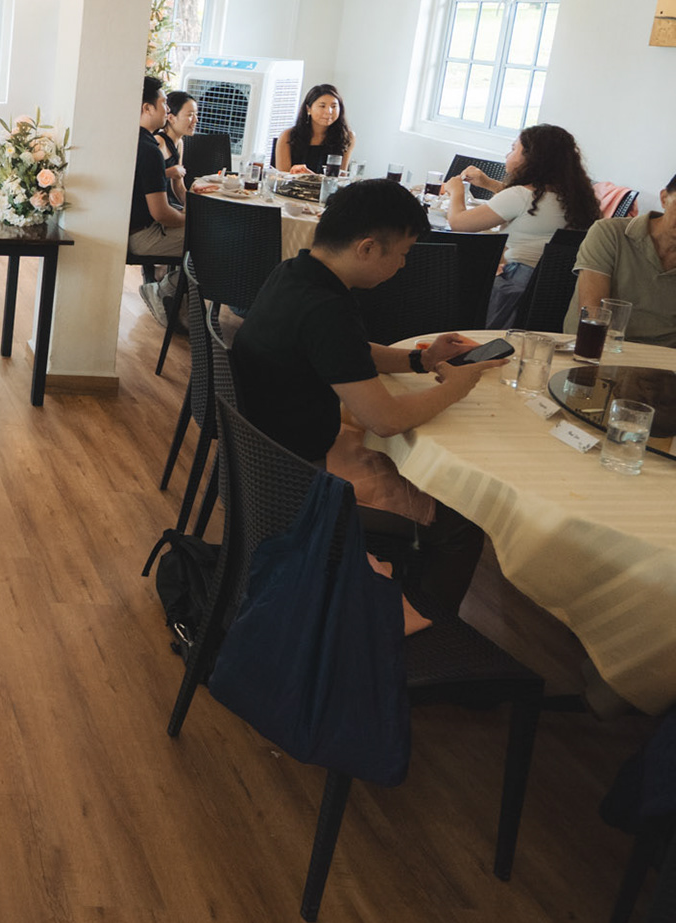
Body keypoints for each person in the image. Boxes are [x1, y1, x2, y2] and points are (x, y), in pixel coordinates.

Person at [232, 178, 499, 619]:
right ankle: (417, 631)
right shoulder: (327, 309)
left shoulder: (295, 273)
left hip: (266, 460)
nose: (404, 265)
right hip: (300, 484)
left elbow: (347, 352)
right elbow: (386, 420)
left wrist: (421, 359)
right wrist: (456, 387)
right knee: (461, 522)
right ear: (368, 248)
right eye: (403, 253)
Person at [441, 123, 602, 327]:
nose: (507, 155)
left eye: (513, 149)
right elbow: (526, 206)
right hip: (553, 293)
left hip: (513, 288)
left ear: (530, 158)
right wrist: (489, 184)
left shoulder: (520, 196)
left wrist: (456, 191)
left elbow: (458, 224)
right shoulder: (578, 200)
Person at [565, 172, 676, 346]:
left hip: (666, 357)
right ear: (664, 199)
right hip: (599, 348)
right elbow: (593, 314)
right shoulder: (611, 234)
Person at [132, 76, 185, 325]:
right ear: (147, 108)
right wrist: (188, 219)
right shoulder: (150, 149)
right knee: (211, 242)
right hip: (141, 236)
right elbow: (161, 213)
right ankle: (162, 290)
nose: (167, 109)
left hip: (130, 228)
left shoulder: (131, 138)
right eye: (164, 103)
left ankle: (175, 302)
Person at [276, 83, 355, 174]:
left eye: (334, 106)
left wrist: (312, 177)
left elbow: (341, 177)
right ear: (308, 109)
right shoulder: (288, 136)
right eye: (322, 106)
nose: (329, 111)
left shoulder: (347, 136)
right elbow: (283, 177)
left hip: (328, 184)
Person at [157, 89, 199, 207]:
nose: (196, 120)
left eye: (196, 114)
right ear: (171, 118)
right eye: (190, 115)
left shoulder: (179, 143)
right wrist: (169, 172)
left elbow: (179, 187)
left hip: (169, 204)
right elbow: (143, 179)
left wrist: (194, 209)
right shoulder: (159, 142)